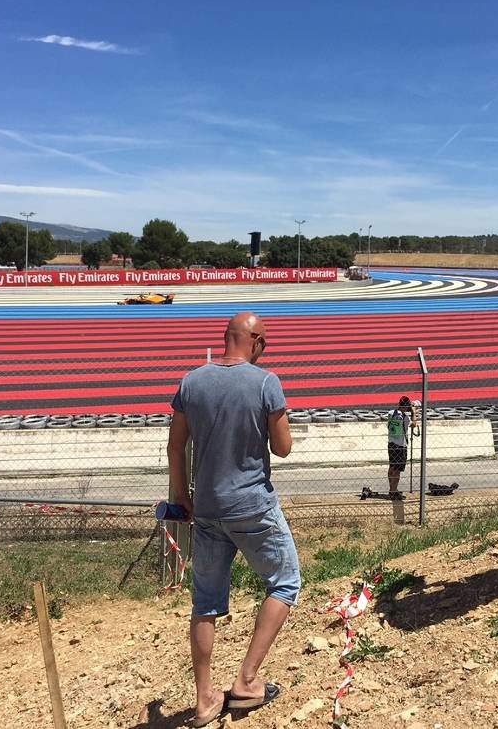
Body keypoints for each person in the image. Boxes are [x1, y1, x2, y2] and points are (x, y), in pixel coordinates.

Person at [167, 311, 300, 727]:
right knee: (285, 581)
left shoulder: (191, 381)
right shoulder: (265, 382)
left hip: (205, 509)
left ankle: (205, 700)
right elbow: (283, 449)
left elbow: (175, 447)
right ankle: (245, 682)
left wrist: (181, 496)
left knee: (205, 604)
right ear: (256, 341)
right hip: (253, 508)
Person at [386, 395, 417, 499]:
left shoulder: (390, 413)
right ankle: (394, 492)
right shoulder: (405, 418)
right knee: (397, 470)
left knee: (391, 468)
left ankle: (391, 489)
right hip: (400, 447)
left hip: (391, 444)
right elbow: (414, 424)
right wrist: (413, 412)